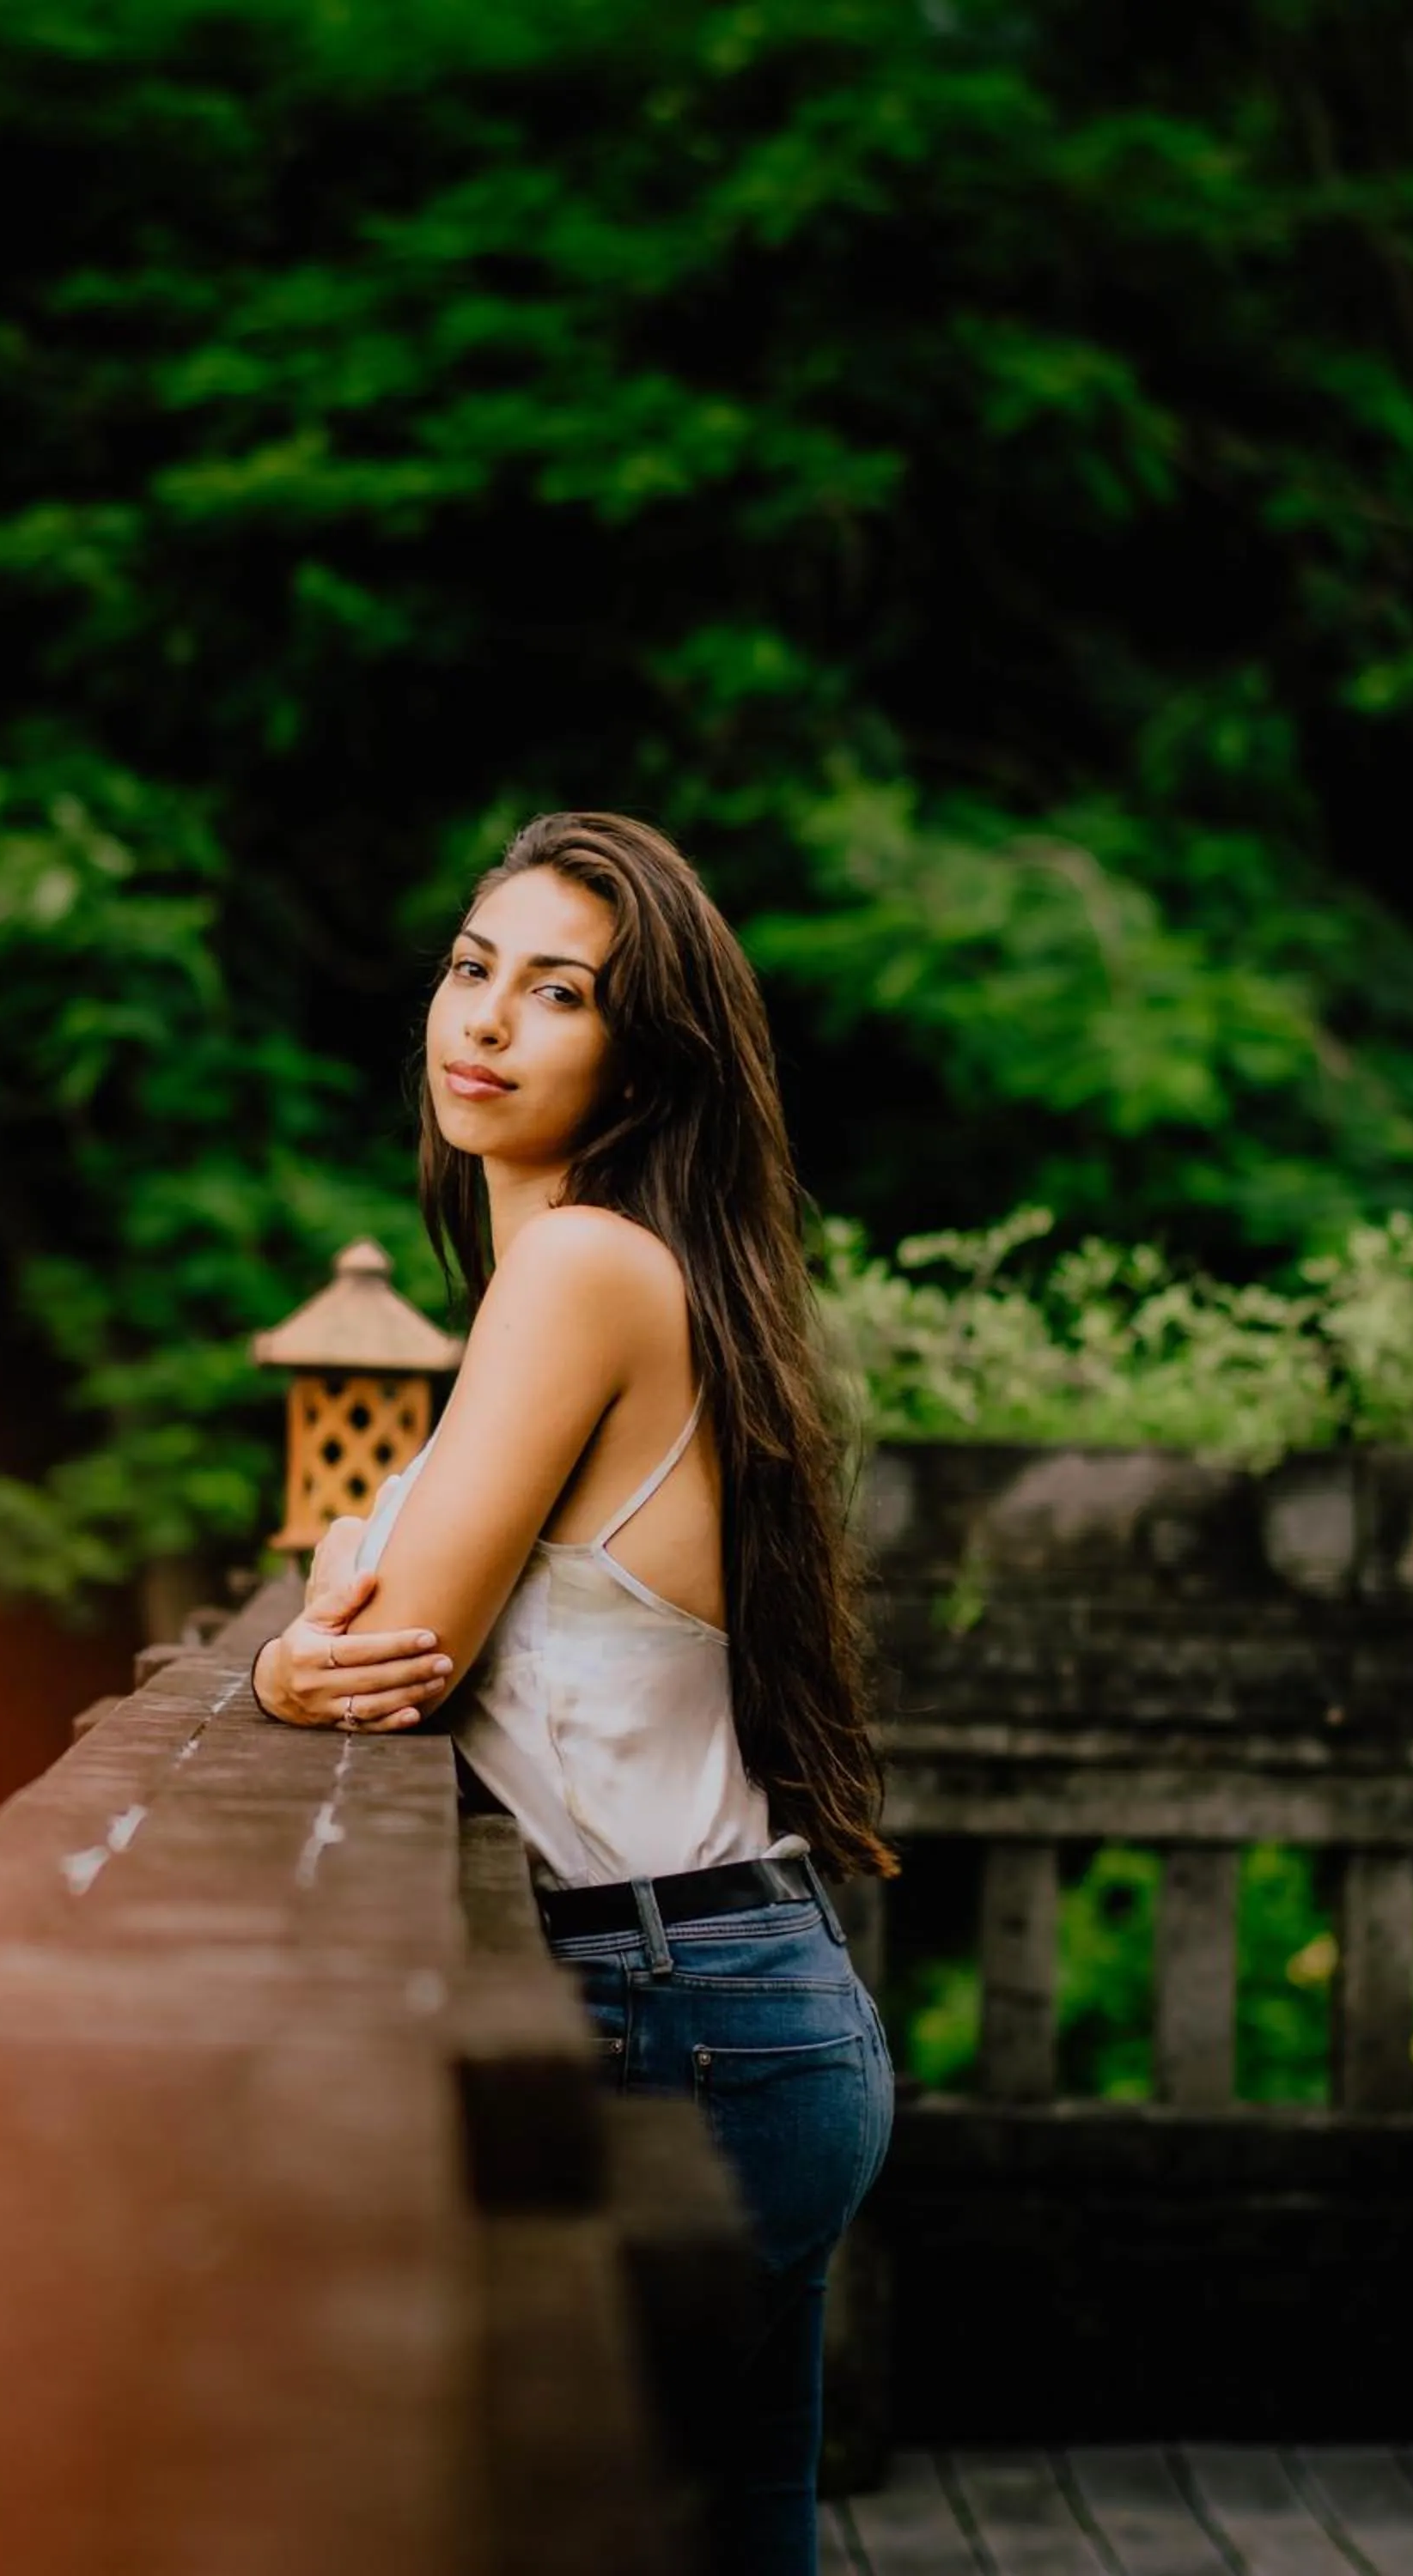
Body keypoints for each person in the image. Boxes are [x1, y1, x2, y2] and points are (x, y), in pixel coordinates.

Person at [251, 811, 896, 2576]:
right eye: (472, 969)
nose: (485, 1019)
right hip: (741, 1996)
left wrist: (302, 1656)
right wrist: (334, 1597)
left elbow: (403, 1650)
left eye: (557, 993)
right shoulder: (593, 1278)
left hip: (672, 2007)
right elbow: (381, 1579)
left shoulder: (583, 1268)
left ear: (641, 1055)